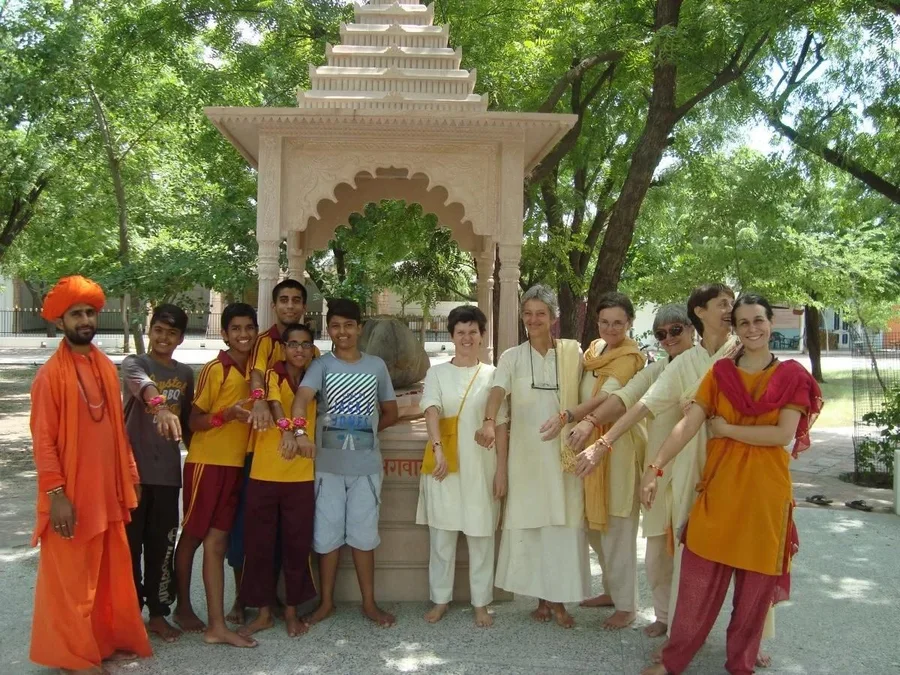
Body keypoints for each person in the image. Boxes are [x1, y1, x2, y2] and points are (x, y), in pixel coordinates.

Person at [640, 294, 822, 675]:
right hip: (721, 486)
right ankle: (674, 661)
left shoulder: (791, 376)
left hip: (765, 493)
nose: (752, 328)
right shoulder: (721, 374)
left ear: (770, 324)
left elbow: (781, 435)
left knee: (754, 591)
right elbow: (687, 425)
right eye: (744, 322)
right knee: (697, 578)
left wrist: (725, 429)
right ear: (735, 329)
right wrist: (655, 466)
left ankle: (740, 664)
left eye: (759, 320)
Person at [29, 275, 153, 673]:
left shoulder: (101, 364)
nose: (85, 319)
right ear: (59, 322)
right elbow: (43, 441)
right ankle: (71, 656)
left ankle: (101, 642)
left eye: (89, 312)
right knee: (70, 582)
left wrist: (129, 473)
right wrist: (57, 495)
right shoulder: (50, 376)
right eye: (76, 313)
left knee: (105, 574)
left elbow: (117, 428)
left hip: (106, 491)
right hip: (72, 496)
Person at [565, 304, 695, 637]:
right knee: (651, 551)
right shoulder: (601, 355)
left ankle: (639, 609)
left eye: (676, 331)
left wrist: (592, 427)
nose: (668, 339)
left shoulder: (640, 359)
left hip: (687, 465)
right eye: (661, 333)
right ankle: (660, 614)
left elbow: (626, 401)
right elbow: (629, 398)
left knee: (666, 544)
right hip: (652, 464)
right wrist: (591, 430)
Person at [477, 285, 592, 628]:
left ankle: (558, 600)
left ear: (554, 316)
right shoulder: (512, 356)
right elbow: (498, 390)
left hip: (564, 454)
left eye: (540, 312)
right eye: (528, 313)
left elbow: (589, 394)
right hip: (527, 456)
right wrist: (487, 421)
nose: (533, 319)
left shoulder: (573, 354)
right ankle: (541, 598)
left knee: (562, 526)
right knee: (534, 525)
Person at [291, 298, 399, 627]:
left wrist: (365, 433)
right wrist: (298, 434)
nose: (342, 332)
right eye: (335, 326)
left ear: (359, 329)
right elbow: (300, 401)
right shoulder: (320, 366)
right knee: (326, 538)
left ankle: (369, 603)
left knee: (364, 538)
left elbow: (390, 411)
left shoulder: (376, 366)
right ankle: (326, 603)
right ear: (329, 329)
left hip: (366, 469)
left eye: (349, 325)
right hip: (327, 469)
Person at [556, 292, 646, 630]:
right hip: (585, 448)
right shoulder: (594, 352)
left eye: (618, 323)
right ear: (597, 322)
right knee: (594, 527)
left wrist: (579, 419)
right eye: (605, 321)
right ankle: (611, 591)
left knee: (618, 526)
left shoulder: (630, 358)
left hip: (616, 448)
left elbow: (611, 398)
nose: (611, 328)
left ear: (630, 324)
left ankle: (627, 605)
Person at [416, 305, 508, 628]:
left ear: (482, 336)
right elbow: (430, 410)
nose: (467, 337)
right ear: (452, 335)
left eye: (473, 332)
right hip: (445, 466)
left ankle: (481, 603)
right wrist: (438, 449)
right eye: (460, 332)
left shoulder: (494, 375)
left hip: (482, 468)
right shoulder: (437, 373)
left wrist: (501, 470)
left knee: (482, 536)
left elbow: (502, 425)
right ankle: (440, 600)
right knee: (442, 537)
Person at [171, 303, 258, 648]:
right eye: (235, 328)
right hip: (207, 464)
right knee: (192, 536)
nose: (243, 335)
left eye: (249, 328)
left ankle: (217, 625)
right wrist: (227, 415)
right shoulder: (215, 369)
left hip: (236, 466)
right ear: (224, 334)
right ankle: (184, 608)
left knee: (218, 543)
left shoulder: (255, 369)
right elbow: (193, 421)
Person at [228, 279, 309, 623]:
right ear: (275, 305)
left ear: (303, 307)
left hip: (295, 464)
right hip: (256, 452)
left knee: (289, 536)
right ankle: (242, 601)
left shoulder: (308, 349)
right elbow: (258, 376)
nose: (290, 306)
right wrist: (260, 403)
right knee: (247, 534)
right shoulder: (265, 342)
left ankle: (279, 602)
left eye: (296, 301)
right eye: (284, 300)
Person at [239, 323, 319, 638]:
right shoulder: (273, 373)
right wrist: (287, 430)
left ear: (312, 348)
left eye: (305, 344)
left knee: (297, 545)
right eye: (293, 344)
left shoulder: (316, 375)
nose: (299, 350)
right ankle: (262, 613)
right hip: (264, 472)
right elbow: (273, 404)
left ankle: (291, 612)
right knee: (259, 545)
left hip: (301, 474)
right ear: (284, 348)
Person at [122, 303, 194, 643]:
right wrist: (161, 408)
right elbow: (145, 387)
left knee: (162, 546)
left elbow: (192, 421)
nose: (164, 337)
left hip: (167, 474)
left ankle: (159, 613)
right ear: (150, 331)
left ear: (180, 338)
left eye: (172, 333)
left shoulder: (185, 373)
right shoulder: (135, 364)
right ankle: (127, 615)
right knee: (128, 547)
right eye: (159, 330)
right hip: (132, 476)